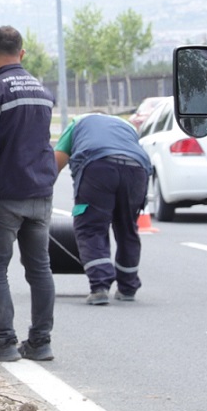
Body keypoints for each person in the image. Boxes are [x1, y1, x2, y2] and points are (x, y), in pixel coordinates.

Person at [0, 26, 58, 363]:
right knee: (40, 269)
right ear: (21, 54)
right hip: (41, 193)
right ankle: (40, 342)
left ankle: (5, 342)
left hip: (5, 195)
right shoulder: (42, 90)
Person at [55, 112, 150, 304]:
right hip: (137, 169)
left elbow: (54, 164)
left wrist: (39, 194)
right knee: (127, 228)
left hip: (97, 166)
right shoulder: (126, 126)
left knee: (90, 227)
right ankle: (128, 287)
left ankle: (100, 286)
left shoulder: (76, 123)